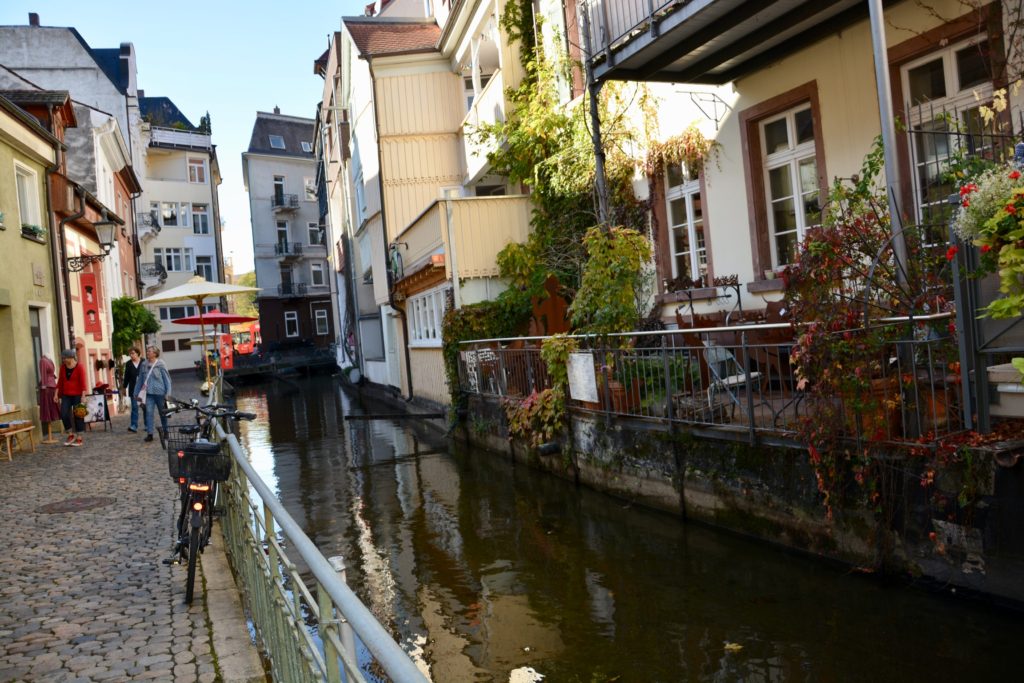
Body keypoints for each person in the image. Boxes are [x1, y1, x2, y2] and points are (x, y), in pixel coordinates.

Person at [136, 345, 171, 443]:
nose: (147, 353)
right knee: (149, 413)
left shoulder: (161, 364)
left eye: (149, 351)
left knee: (163, 414)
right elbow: (140, 380)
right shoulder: (144, 364)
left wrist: (168, 393)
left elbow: (167, 380)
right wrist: (136, 392)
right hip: (149, 394)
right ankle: (150, 434)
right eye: (147, 351)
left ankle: (166, 431)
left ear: (155, 353)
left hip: (160, 393)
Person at [54, 349, 86, 447]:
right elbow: (60, 382)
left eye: (64, 358)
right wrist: (56, 394)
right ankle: (71, 434)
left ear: (70, 358)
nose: (63, 360)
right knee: (63, 414)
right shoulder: (63, 368)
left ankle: (79, 438)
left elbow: (83, 383)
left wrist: (83, 396)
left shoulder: (79, 367)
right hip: (66, 395)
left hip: (77, 395)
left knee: (78, 415)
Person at [122, 348, 143, 433]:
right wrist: (124, 387)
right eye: (130, 354)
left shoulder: (144, 362)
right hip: (133, 389)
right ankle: (134, 425)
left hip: (143, 389)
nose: (131, 355)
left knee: (145, 408)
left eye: (133, 353)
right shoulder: (129, 364)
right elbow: (126, 376)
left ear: (138, 353)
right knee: (134, 408)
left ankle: (147, 425)